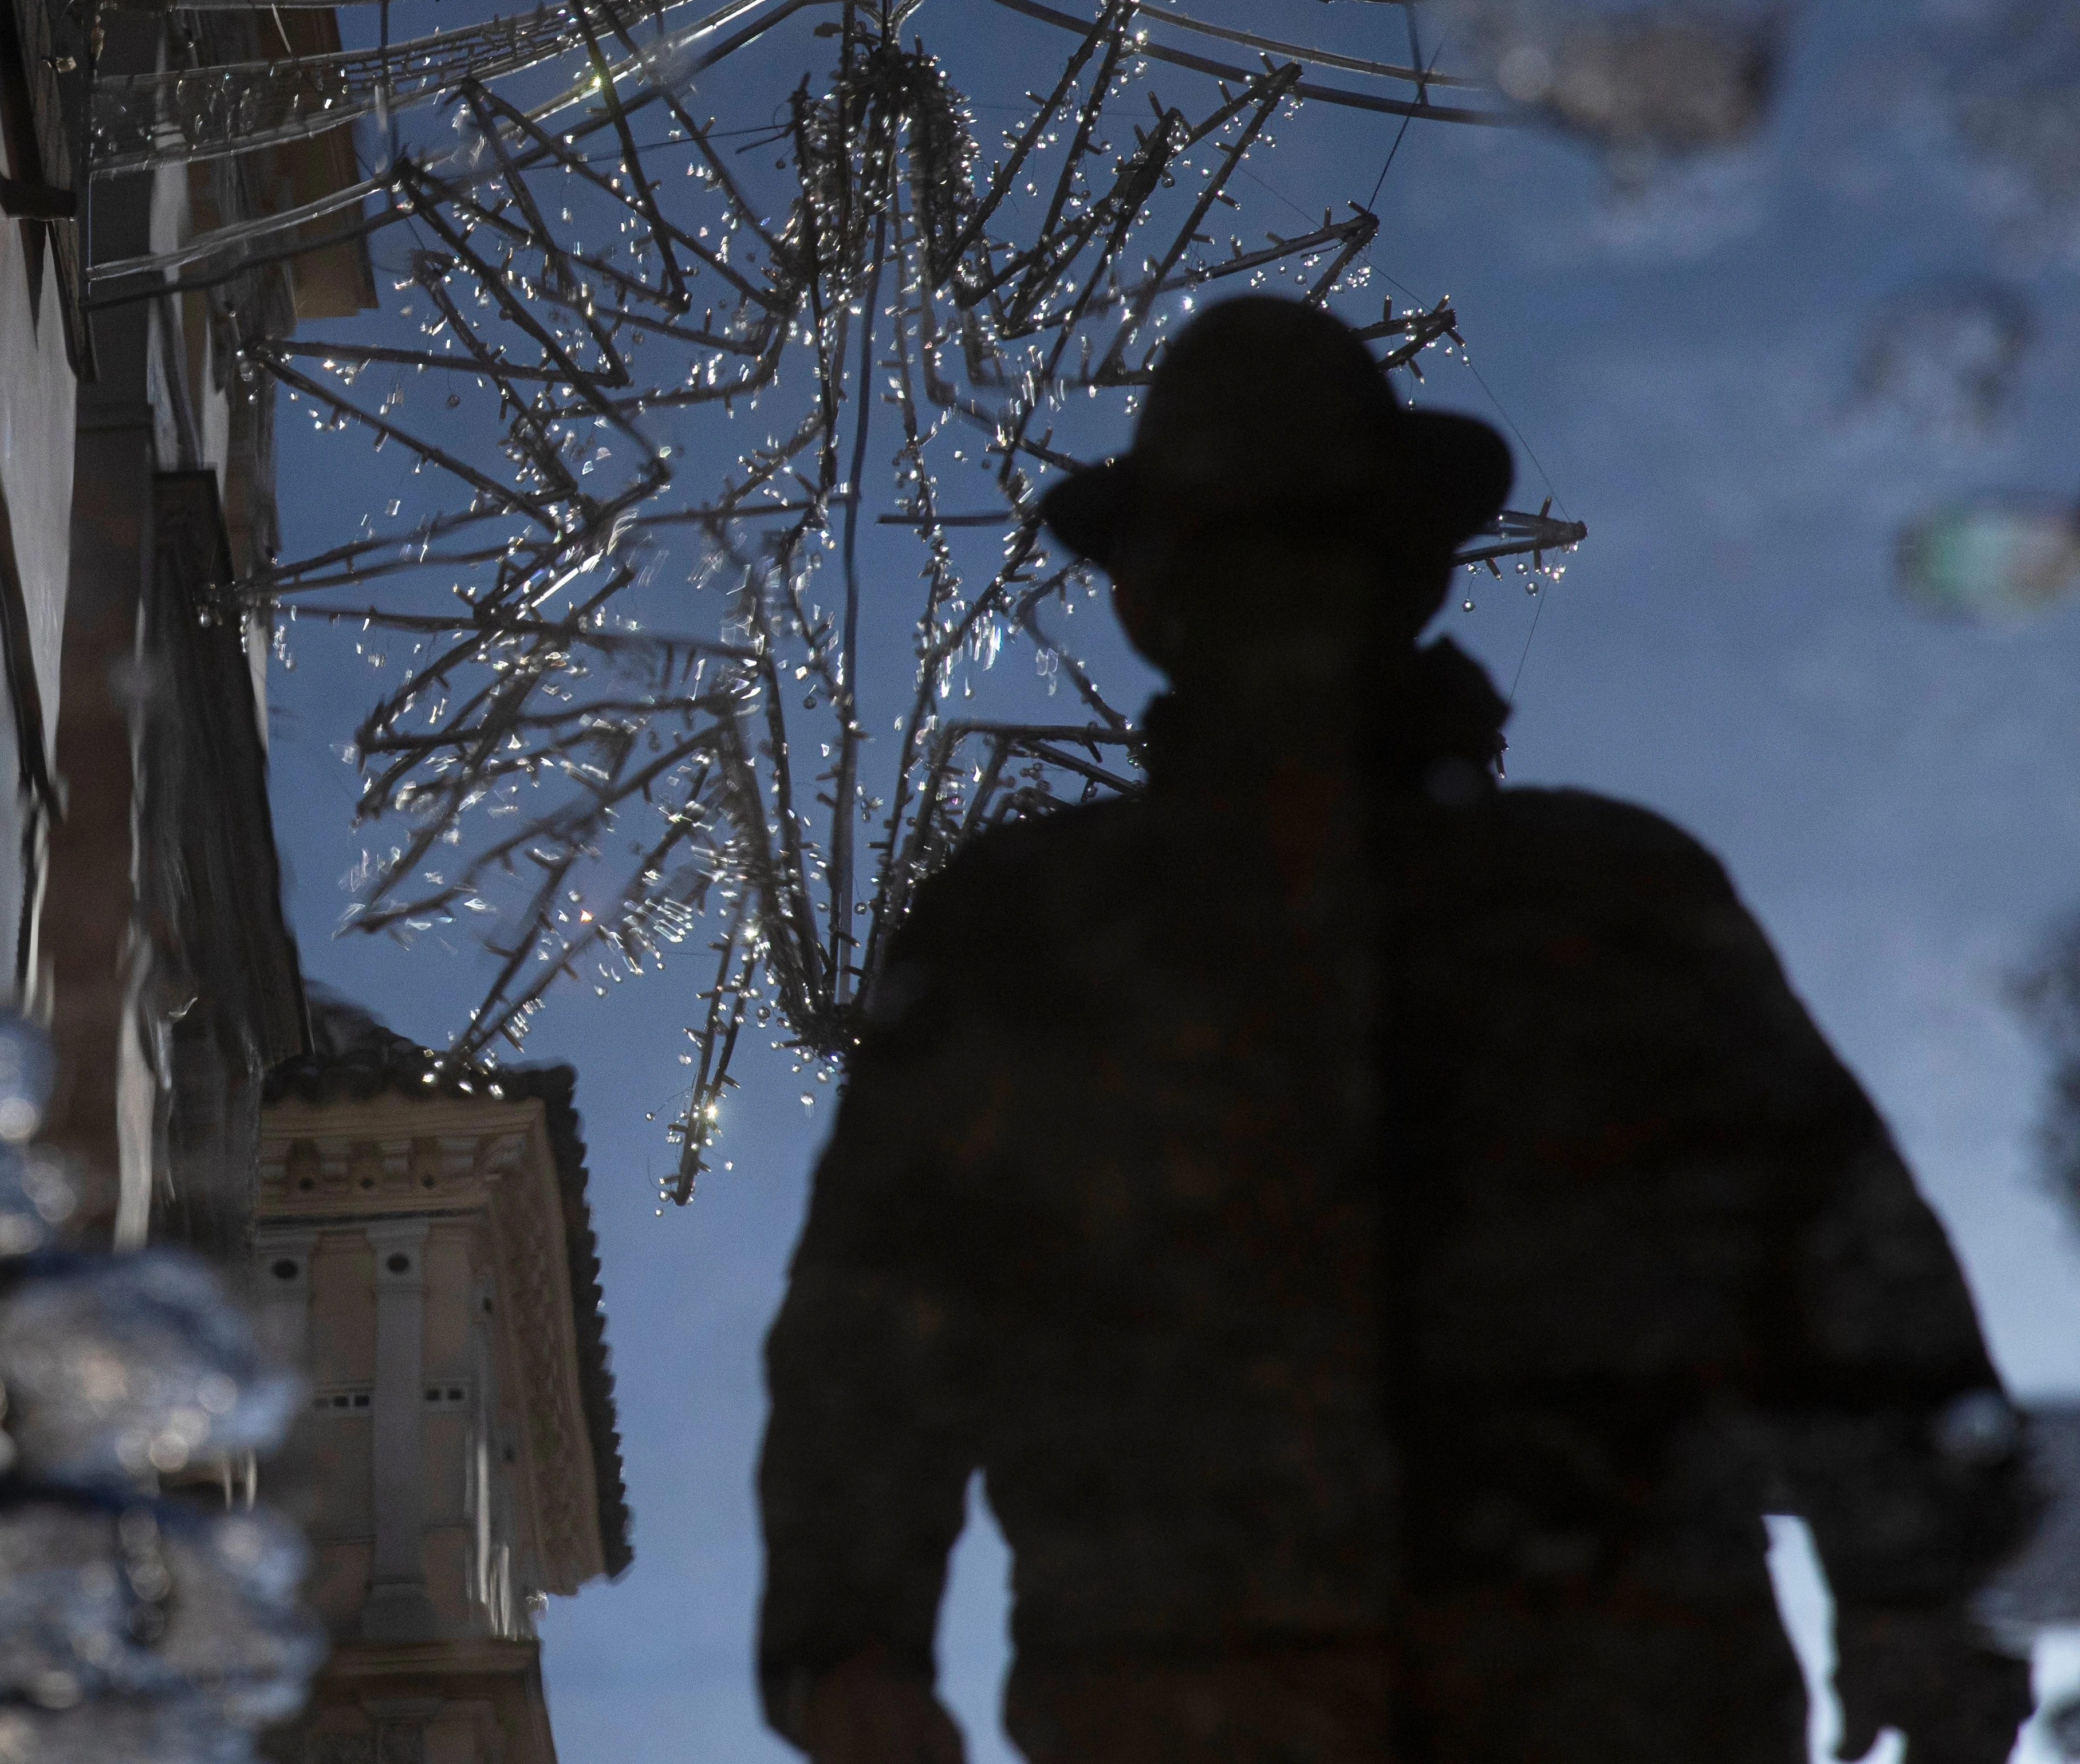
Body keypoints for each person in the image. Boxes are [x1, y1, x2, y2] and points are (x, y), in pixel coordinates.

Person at [754, 297, 2036, 1764]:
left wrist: (1922, 1587)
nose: (1275, 595)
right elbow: (881, 1310)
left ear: (1395, 572)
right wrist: (846, 1644)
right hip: (1195, 1699)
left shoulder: (1608, 889)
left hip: (1610, 1693)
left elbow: (1824, 1238)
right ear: (1160, 602)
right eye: (1234, 553)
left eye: (1308, 541)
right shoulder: (1020, 928)